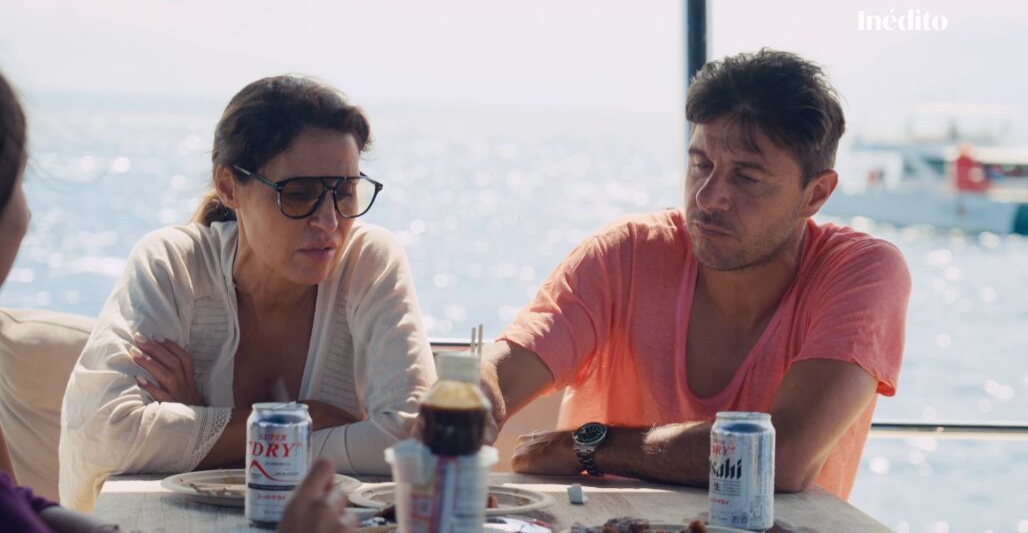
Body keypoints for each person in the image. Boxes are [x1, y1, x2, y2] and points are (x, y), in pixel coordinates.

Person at [479, 49, 911, 500]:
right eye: (701, 164)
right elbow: (503, 372)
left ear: (815, 194)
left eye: (746, 178)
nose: (707, 197)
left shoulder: (862, 272)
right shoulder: (625, 254)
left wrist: (591, 446)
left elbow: (778, 459)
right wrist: (474, 392)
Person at [60, 75, 437, 512]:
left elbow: (414, 438)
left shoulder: (368, 260)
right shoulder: (174, 265)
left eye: (346, 192)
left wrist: (202, 428)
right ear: (228, 187)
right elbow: (103, 434)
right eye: (300, 195)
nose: (330, 222)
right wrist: (310, 418)